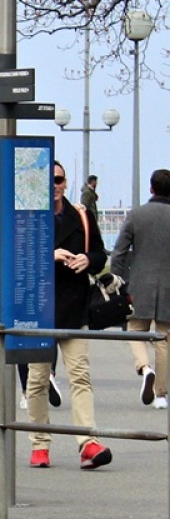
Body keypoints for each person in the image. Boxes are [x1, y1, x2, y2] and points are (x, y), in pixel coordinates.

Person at [27, 161, 112, 470]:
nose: (55, 186)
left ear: (65, 182)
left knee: (80, 375)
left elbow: (101, 254)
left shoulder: (83, 217)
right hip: (39, 309)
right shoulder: (28, 217)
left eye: (60, 180)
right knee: (38, 380)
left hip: (75, 308)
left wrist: (86, 260)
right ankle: (39, 443)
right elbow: (9, 256)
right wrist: (48, 255)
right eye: (49, 181)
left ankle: (87, 442)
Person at [110, 168, 170, 410]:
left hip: (139, 285)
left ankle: (145, 369)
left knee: (135, 330)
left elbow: (119, 253)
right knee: (163, 339)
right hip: (168, 287)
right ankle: (161, 395)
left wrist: (118, 279)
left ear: (151, 189)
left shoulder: (136, 215)